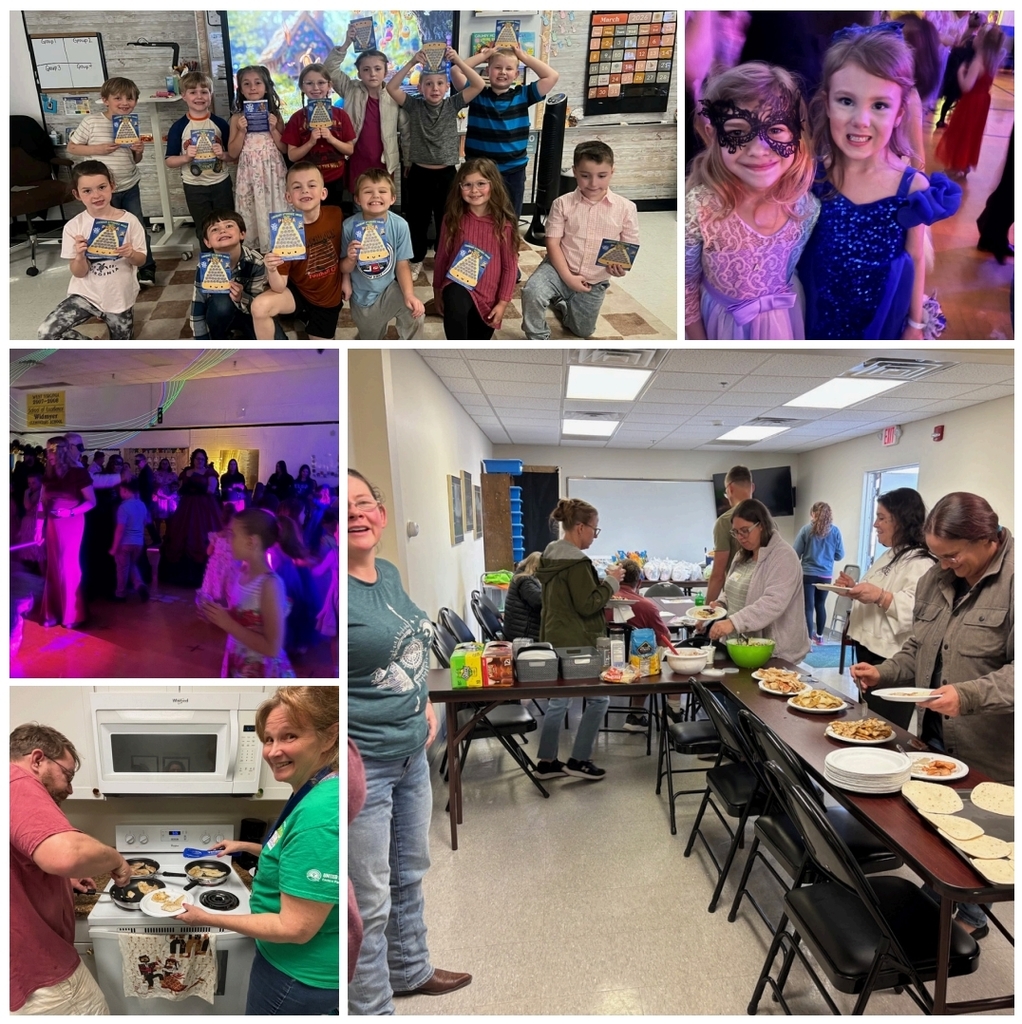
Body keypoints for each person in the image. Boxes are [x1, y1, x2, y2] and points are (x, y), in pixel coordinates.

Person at [851, 492, 1013, 937]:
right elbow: (918, 650)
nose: (944, 565)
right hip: (934, 730)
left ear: (988, 541)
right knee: (933, 822)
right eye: (938, 555)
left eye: (952, 555)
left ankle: (972, 916)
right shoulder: (936, 579)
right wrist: (882, 672)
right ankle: (938, 902)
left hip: (988, 741)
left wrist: (967, 695)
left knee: (980, 833)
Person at [348, 469, 472, 1012]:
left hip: (409, 755)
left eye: (364, 503)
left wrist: (423, 702)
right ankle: (372, 1007)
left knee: (408, 873)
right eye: (340, 509)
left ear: (380, 512)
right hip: (362, 764)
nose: (356, 515)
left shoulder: (389, 573)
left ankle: (410, 969)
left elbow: (409, 648)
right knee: (368, 899)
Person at [177, 687, 339, 1013]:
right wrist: (245, 846)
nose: (274, 751)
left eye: (289, 736)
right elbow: (292, 853)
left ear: (329, 737)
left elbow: (295, 927)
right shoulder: (315, 788)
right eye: (268, 739)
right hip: (294, 966)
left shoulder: (319, 815)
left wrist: (206, 918)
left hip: (297, 978)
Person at [797, 23, 961, 339]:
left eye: (880, 105)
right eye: (847, 101)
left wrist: (915, 324)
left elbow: (915, 257)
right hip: (815, 311)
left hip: (881, 316)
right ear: (827, 103)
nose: (861, 119)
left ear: (899, 113)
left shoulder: (912, 189)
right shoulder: (814, 175)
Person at [685, 63, 819, 339]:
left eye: (776, 130)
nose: (759, 150)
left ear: (797, 132)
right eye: (737, 132)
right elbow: (685, 286)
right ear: (713, 135)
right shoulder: (699, 210)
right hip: (722, 324)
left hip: (784, 319)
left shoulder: (806, 208)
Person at [11, 722, 133, 1014]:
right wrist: (116, 859)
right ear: (38, 759)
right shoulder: (18, 783)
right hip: (40, 966)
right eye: (67, 775)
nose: (69, 787)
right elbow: (66, 853)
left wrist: (63, 882)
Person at [533, 498, 625, 780]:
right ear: (580, 527)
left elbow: (569, 600)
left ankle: (547, 761)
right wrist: (611, 582)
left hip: (554, 635)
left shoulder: (551, 555)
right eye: (594, 530)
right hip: (578, 641)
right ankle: (579, 759)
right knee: (599, 699)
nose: (594, 537)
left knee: (558, 700)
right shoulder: (577, 562)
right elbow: (587, 605)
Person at [835, 488, 936, 727]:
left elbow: (916, 612)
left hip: (892, 661)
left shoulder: (922, 562)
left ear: (901, 520)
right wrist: (855, 589)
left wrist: (880, 596)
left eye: (882, 518)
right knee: (869, 718)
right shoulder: (891, 554)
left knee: (884, 726)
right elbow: (879, 590)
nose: (875, 524)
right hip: (869, 651)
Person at [522, 140, 640, 340]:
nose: (593, 183)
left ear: (612, 171)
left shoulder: (626, 208)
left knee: (583, 331)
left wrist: (619, 268)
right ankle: (537, 336)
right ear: (575, 171)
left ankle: (562, 303)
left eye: (601, 176)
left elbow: (628, 246)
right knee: (531, 291)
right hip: (558, 268)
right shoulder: (562, 203)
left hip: (594, 279)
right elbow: (552, 242)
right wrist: (567, 277)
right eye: (585, 176)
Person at [386, 47, 486, 280]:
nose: (435, 88)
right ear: (420, 87)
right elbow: (391, 87)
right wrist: (412, 62)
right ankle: (416, 258)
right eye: (429, 84)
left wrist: (457, 61)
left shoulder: (453, 104)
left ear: (447, 87)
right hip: (419, 173)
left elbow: (479, 85)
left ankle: (444, 257)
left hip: (448, 175)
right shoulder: (414, 106)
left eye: (440, 83)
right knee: (417, 221)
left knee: (447, 219)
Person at [37, 161, 146, 340]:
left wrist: (131, 254)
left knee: (121, 350)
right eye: (87, 190)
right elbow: (78, 273)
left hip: (119, 297)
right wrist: (79, 256)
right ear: (77, 194)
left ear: (112, 186)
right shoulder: (74, 227)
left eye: (102, 187)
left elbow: (141, 260)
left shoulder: (130, 221)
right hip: (86, 294)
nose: (96, 195)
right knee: (47, 332)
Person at [66, 75, 156, 286]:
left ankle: (146, 269)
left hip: (129, 184)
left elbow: (135, 160)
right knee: (107, 230)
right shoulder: (92, 122)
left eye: (130, 98)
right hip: (103, 191)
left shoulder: (129, 124)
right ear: (105, 100)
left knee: (138, 228)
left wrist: (138, 151)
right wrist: (99, 149)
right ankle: (110, 270)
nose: (125, 103)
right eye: (118, 98)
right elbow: (71, 148)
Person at [454, 44, 560, 219]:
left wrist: (523, 56)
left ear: (516, 74)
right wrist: (485, 55)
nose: (502, 72)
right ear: (488, 70)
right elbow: (457, 71)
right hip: (478, 172)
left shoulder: (523, 95)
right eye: (497, 67)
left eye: (509, 68)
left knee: (509, 219)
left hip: (513, 172)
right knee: (475, 219)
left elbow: (551, 76)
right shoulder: (476, 93)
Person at [707, 498, 811, 664]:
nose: (740, 537)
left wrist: (734, 622)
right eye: (735, 532)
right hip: (739, 648)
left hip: (775, 653)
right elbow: (732, 590)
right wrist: (721, 604)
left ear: (761, 525)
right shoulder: (742, 555)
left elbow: (773, 602)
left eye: (745, 531)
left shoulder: (783, 556)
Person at [252, 162, 344, 341]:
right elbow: (279, 287)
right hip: (297, 291)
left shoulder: (336, 214)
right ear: (288, 197)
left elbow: (345, 255)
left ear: (323, 193)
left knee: (321, 354)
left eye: (311, 185)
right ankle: (268, 354)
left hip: (327, 299)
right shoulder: (283, 230)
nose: (304, 191)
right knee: (259, 307)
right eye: (297, 187)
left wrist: (346, 281)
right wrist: (271, 268)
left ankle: (304, 318)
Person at [198, 508, 295, 678]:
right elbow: (244, 616)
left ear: (252, 542)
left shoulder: (270, 584)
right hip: (239, 658)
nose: (228, 540)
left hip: (259, 670)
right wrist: (217, 615)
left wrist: (227, 623)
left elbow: (272, 647)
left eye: (233, 535)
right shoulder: (242, 572)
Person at [432, 158, 519, 340]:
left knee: (477, 340)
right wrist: (437, 290)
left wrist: (503, 303)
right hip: (457, 286)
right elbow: (441, 257)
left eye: (481, 184)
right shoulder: (452, 218)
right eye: (468, 185)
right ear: (460, 187)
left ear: (493, 185)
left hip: (489, 295)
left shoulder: (504, 224)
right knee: (455, 304)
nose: (474, 191)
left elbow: (510, 267)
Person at [340, 169, 425, 340]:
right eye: (368, 192)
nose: (375, 196)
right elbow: (343, 267)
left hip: (389, 289)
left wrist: (409, 294)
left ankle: (411, 350)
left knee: (416, 313)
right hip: (362, 297)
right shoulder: (349, 226)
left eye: (382, 191)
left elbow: (402, 264)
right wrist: (350, 259)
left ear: (393, 198)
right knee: (371, 339)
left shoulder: (400, 225)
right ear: (357, 198)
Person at [326, 31, 409, 195]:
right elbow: (329, 70)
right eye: (366, 69)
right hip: (357, 160)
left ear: (385, 72)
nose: (372, 73)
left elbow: (406, 131)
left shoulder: (394, 96)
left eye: (377, 69)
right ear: (359, 73)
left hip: (385, 161)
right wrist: (345, 45)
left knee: (382, 202)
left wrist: (408, 160)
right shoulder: (350, 89)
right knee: (360, 201)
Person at [164, 71, 233, 249]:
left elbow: (234, 156)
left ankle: (231, 263)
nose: (199, 96)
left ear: (211, 95)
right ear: (183, 96)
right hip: (194, 187)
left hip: (221, 184)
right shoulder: (179, 127)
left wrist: (223, 155)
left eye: (204, 91)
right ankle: (210, 267)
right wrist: (186, 157)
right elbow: (169, 161)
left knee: (227, 226)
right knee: (204, 229)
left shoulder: (221, 124)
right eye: (193, 92)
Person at [32, 437, 96, 629]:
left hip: (72, 524)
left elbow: (91, 502)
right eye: (47, 452)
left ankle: (72, 614)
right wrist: (37, 529)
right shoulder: (48, 475)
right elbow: (42, 505)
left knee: (68, 566)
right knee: (53, 566)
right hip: (52, 526)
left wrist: (70, 512)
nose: (48, 456)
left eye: (51, 452)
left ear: (60, 451)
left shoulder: (78, 473)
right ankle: (53, 612)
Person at [190, 211, 283, 340]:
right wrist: (202, 342)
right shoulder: (204, 266)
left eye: (229, 226)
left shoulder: (256, 262)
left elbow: (259, 304)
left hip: (249, 313)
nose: (222, 231)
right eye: (215, 229)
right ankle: (220, 338)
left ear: (242, 234)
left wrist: (241, 297)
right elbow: (198, 307)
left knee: (278, 341)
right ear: (207, 242)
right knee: (221, 302)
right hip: (218, 314)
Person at [227, 65, 288, 249]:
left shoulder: (275, 115)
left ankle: (280, 251)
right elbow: (232, 152)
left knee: (275, 208)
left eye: (257, 83)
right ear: (241, 90)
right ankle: (256, 256)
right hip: (249, 177)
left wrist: (274, 128)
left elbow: (284, 148)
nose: (252, 87)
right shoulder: (237, 118)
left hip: (273, 174)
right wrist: (240, 132)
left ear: (266, 87)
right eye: (247, 84)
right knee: (252, 211)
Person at [613, 558, 678, 731]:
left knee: (641, 655)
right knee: (661, 654)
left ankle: (636, 715)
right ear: (640, 582)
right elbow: (665, 638)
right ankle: (673, 710)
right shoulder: (647, 607)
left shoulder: (600, 602)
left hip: (605, 662)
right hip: (638, 665)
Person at [281, 63, 356, 209]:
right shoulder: (297, 118)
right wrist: (310, 142)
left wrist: (331, 139)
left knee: (332, 216)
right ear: (302, 87)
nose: (315, 88)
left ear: (330, 86)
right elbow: (292, 156)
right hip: (305, 183)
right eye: (309, 83)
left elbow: (349, 150)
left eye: (321, 83)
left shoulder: (341, 115)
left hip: (335, 178)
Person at [935, 24, 1005, 177]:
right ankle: (964, 165)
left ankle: (954, 166)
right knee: (972, 134)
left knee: (960, 132)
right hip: (982, 103)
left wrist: (960, 72)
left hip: (971, 103)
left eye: (978, 36)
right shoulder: (991, 62)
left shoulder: (977, 62)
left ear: (981, 42)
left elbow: (966, 86)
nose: (974, 38)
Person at [160, 448, 222, 588]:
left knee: (201, 535)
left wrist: (198, 484)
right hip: (186, 506)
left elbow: (211, 490)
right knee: (181, 535)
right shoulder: (186, 473)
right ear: (193, 459)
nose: (199, 461)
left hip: (205, 507)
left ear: (205, 460)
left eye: (202, 459)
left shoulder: (209, 473)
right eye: (197, 458)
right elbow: (180, 489)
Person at [794, 501, 845, 644]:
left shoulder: (806, 530)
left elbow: (795, 552)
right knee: (820, 605)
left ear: (813, 514)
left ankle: (808, 641)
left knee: (808, 608)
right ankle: (820, 637)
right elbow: (840, 555)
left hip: (808, 574)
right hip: (825, 575)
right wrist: (828, 555)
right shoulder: (835, 532)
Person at [707, 465, 755, 603]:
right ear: (752, 487)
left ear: (729, 490)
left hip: (737, 599)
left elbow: (718, 575)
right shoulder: (769, 522)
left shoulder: (724, 522)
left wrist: (704, 615)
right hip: (763, 600)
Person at [110, 476, 148, 602]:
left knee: (122, 568)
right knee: (131, 564)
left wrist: (114, 547)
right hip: (139, 542)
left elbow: (120, 529)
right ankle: (139, 584)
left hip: (125, 542)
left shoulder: (123, 507)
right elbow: (146, 521)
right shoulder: (141, 505)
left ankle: (120, 594)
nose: (119, 493)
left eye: (120, 490)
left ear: (125, 490)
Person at [199, 505, 239, 607]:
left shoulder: (216, 535)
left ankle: (213, 611)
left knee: (214, 589)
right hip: (232, 566)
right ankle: (231, 611)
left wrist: (216, 553)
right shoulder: (235, 537)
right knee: (231, 591)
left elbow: (208, 552)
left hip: (217, 567)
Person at [503, 551, 543, 641]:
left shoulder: (521, 576)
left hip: (517, 629)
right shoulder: (525, 581)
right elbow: (539, 601)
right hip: (523, 634)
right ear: (535, 567)